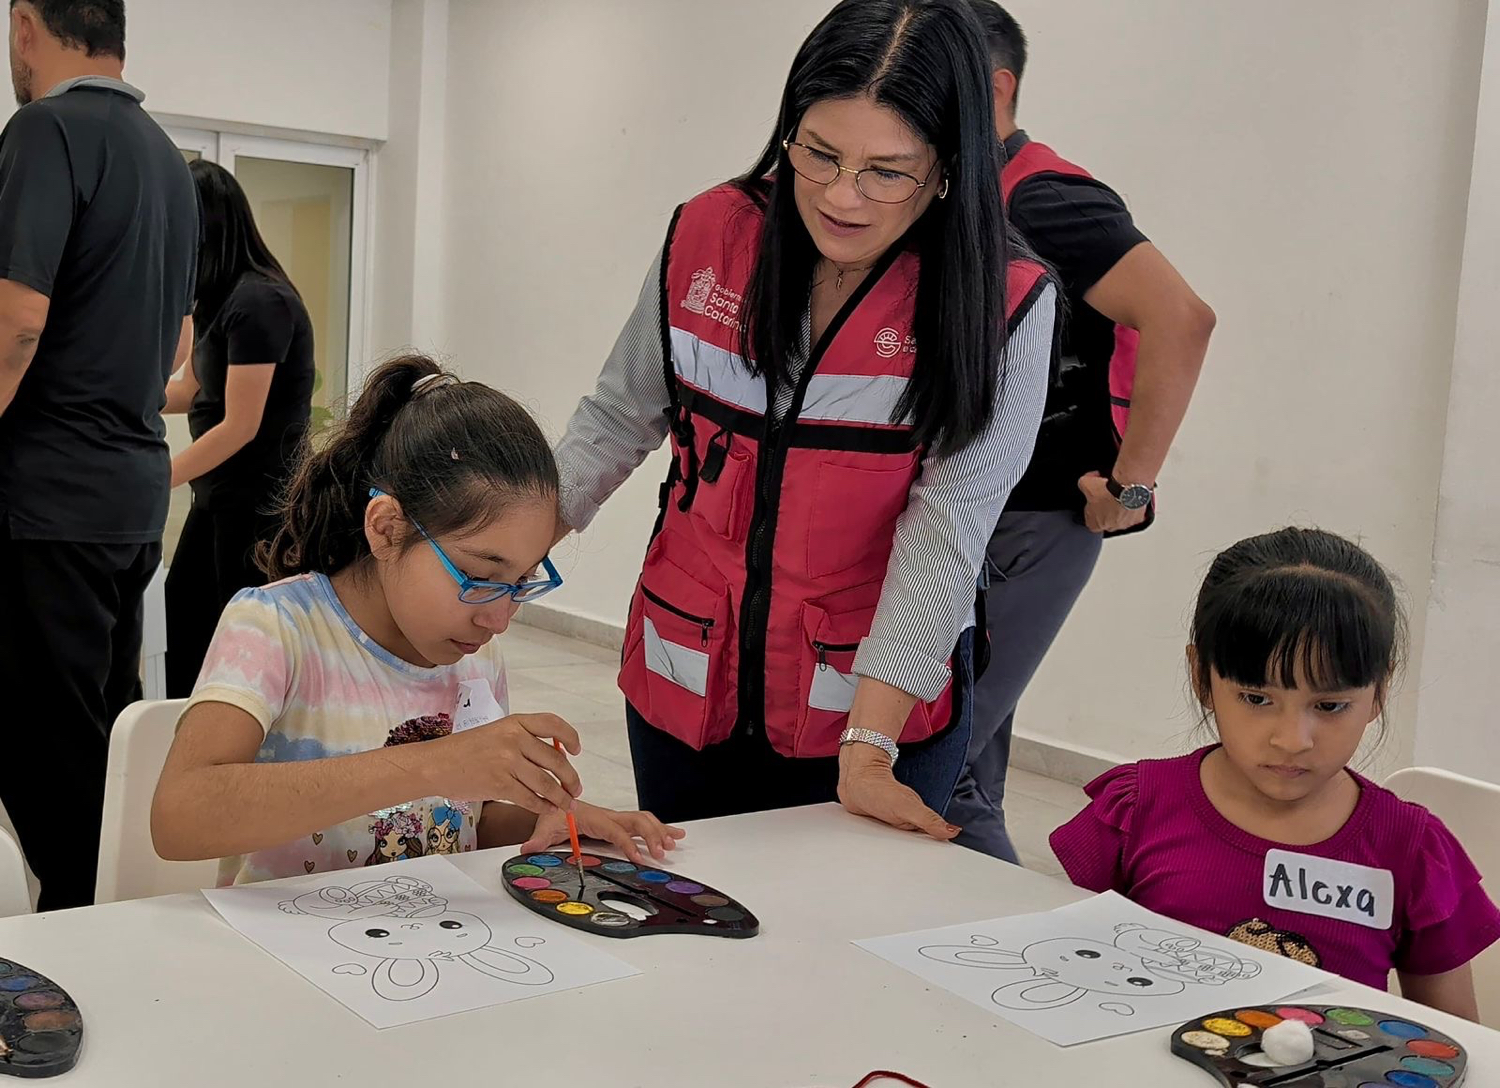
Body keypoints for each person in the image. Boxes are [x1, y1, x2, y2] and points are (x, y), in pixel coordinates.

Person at [554, 0, 1057, 839]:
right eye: (818, 153)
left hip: (871, 712)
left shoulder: (1002, 303)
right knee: (689, 905)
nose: (841, 196)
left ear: (947, 167)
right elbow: (614, 418)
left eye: (886, 171)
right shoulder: (710, 234)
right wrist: (483, 568)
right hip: (689, 676)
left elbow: (949, 527)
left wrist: (869, 748)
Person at [151, 356, 683, 886]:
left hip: (426, 927)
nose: (499, 618)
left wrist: (550, 820)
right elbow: (179, 818)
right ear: (386, 529)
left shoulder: (475, 653)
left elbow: (463, 824)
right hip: (284, 933)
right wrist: (430, 764)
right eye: (479, 575)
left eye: (522, 581)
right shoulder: (277, 628)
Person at [948, 0, 1218, 862]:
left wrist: (1130, 489)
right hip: (971, 513)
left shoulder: (1049, 198)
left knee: (935, 759)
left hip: (1036, 521)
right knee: (967, 762)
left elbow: (1182, 318)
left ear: (995, 88)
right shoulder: (969, 192)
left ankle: (986, 930)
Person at [1051, 528, 1500, 1020]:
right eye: (1256, 698)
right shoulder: (1135, 809)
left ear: (1379, 692)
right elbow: (1063, 972)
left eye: (1329, 705)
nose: (1292, 740)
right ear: (1201, 676)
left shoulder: (1413, 850)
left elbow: (1455, 1038)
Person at [0, 0, 197, 910]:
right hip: (129, 495)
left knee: (43, 747)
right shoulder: (167, 160)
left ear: (26, 24)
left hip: (48, 500)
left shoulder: (45, 131)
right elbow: (174, 347)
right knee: (103, 735)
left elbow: (17, 324)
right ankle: (114, 919)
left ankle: (81, 933)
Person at [164, 160, 316, 698]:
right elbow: (190, 390)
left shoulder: (260, 302)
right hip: (218, 501)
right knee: (184, 619)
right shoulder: (218, 300)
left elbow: (240, 426)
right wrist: (109, 401)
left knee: (241, 641)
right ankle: (181, 728)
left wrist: (156, 477)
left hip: (257, 505)